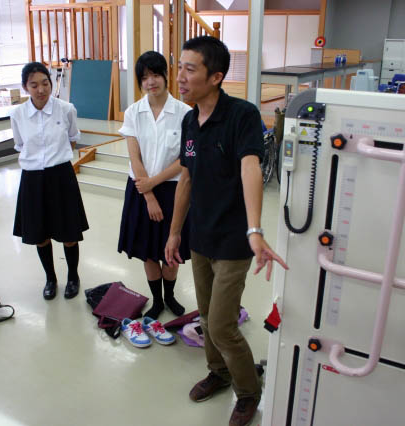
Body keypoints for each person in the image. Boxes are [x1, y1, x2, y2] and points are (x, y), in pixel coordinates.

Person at [164, 36, 288, 426]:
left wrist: (255, 229)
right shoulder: (189, 120)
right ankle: (218, 372)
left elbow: (250, 168)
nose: (180, 77)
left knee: (221, 325)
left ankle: (248, 391)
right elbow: (186, 178)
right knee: (206, 317)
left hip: (234, 240)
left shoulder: (241, 115)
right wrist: (174, 232)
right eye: (179, 67)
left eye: (190, 69)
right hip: (200, 236)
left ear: (215, 77)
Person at [118, 51, 191, 319]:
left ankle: (170, 296)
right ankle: (157, 301)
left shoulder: (185, 113)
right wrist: (148, 194)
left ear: (166, 76)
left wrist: (154, 182)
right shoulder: (133, 113)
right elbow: (134, 157)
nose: (151, 81)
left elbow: (185, 159)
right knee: (148, 251)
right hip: (140, 190)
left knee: (172, 250)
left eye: (156, 75)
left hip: (173, 190)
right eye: (145, 77)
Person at [11, 62, 88, 300]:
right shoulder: (18, 114)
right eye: (34, 85)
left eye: (45, 83)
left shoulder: (66, 109)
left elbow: (73, 138)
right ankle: (50, 279)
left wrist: (57, 158)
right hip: (32, 179)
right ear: (25, 87)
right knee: (40, 234)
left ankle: (73, 277)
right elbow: (20, 145)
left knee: (69, 233)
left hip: (61, 176)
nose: (41, 89)